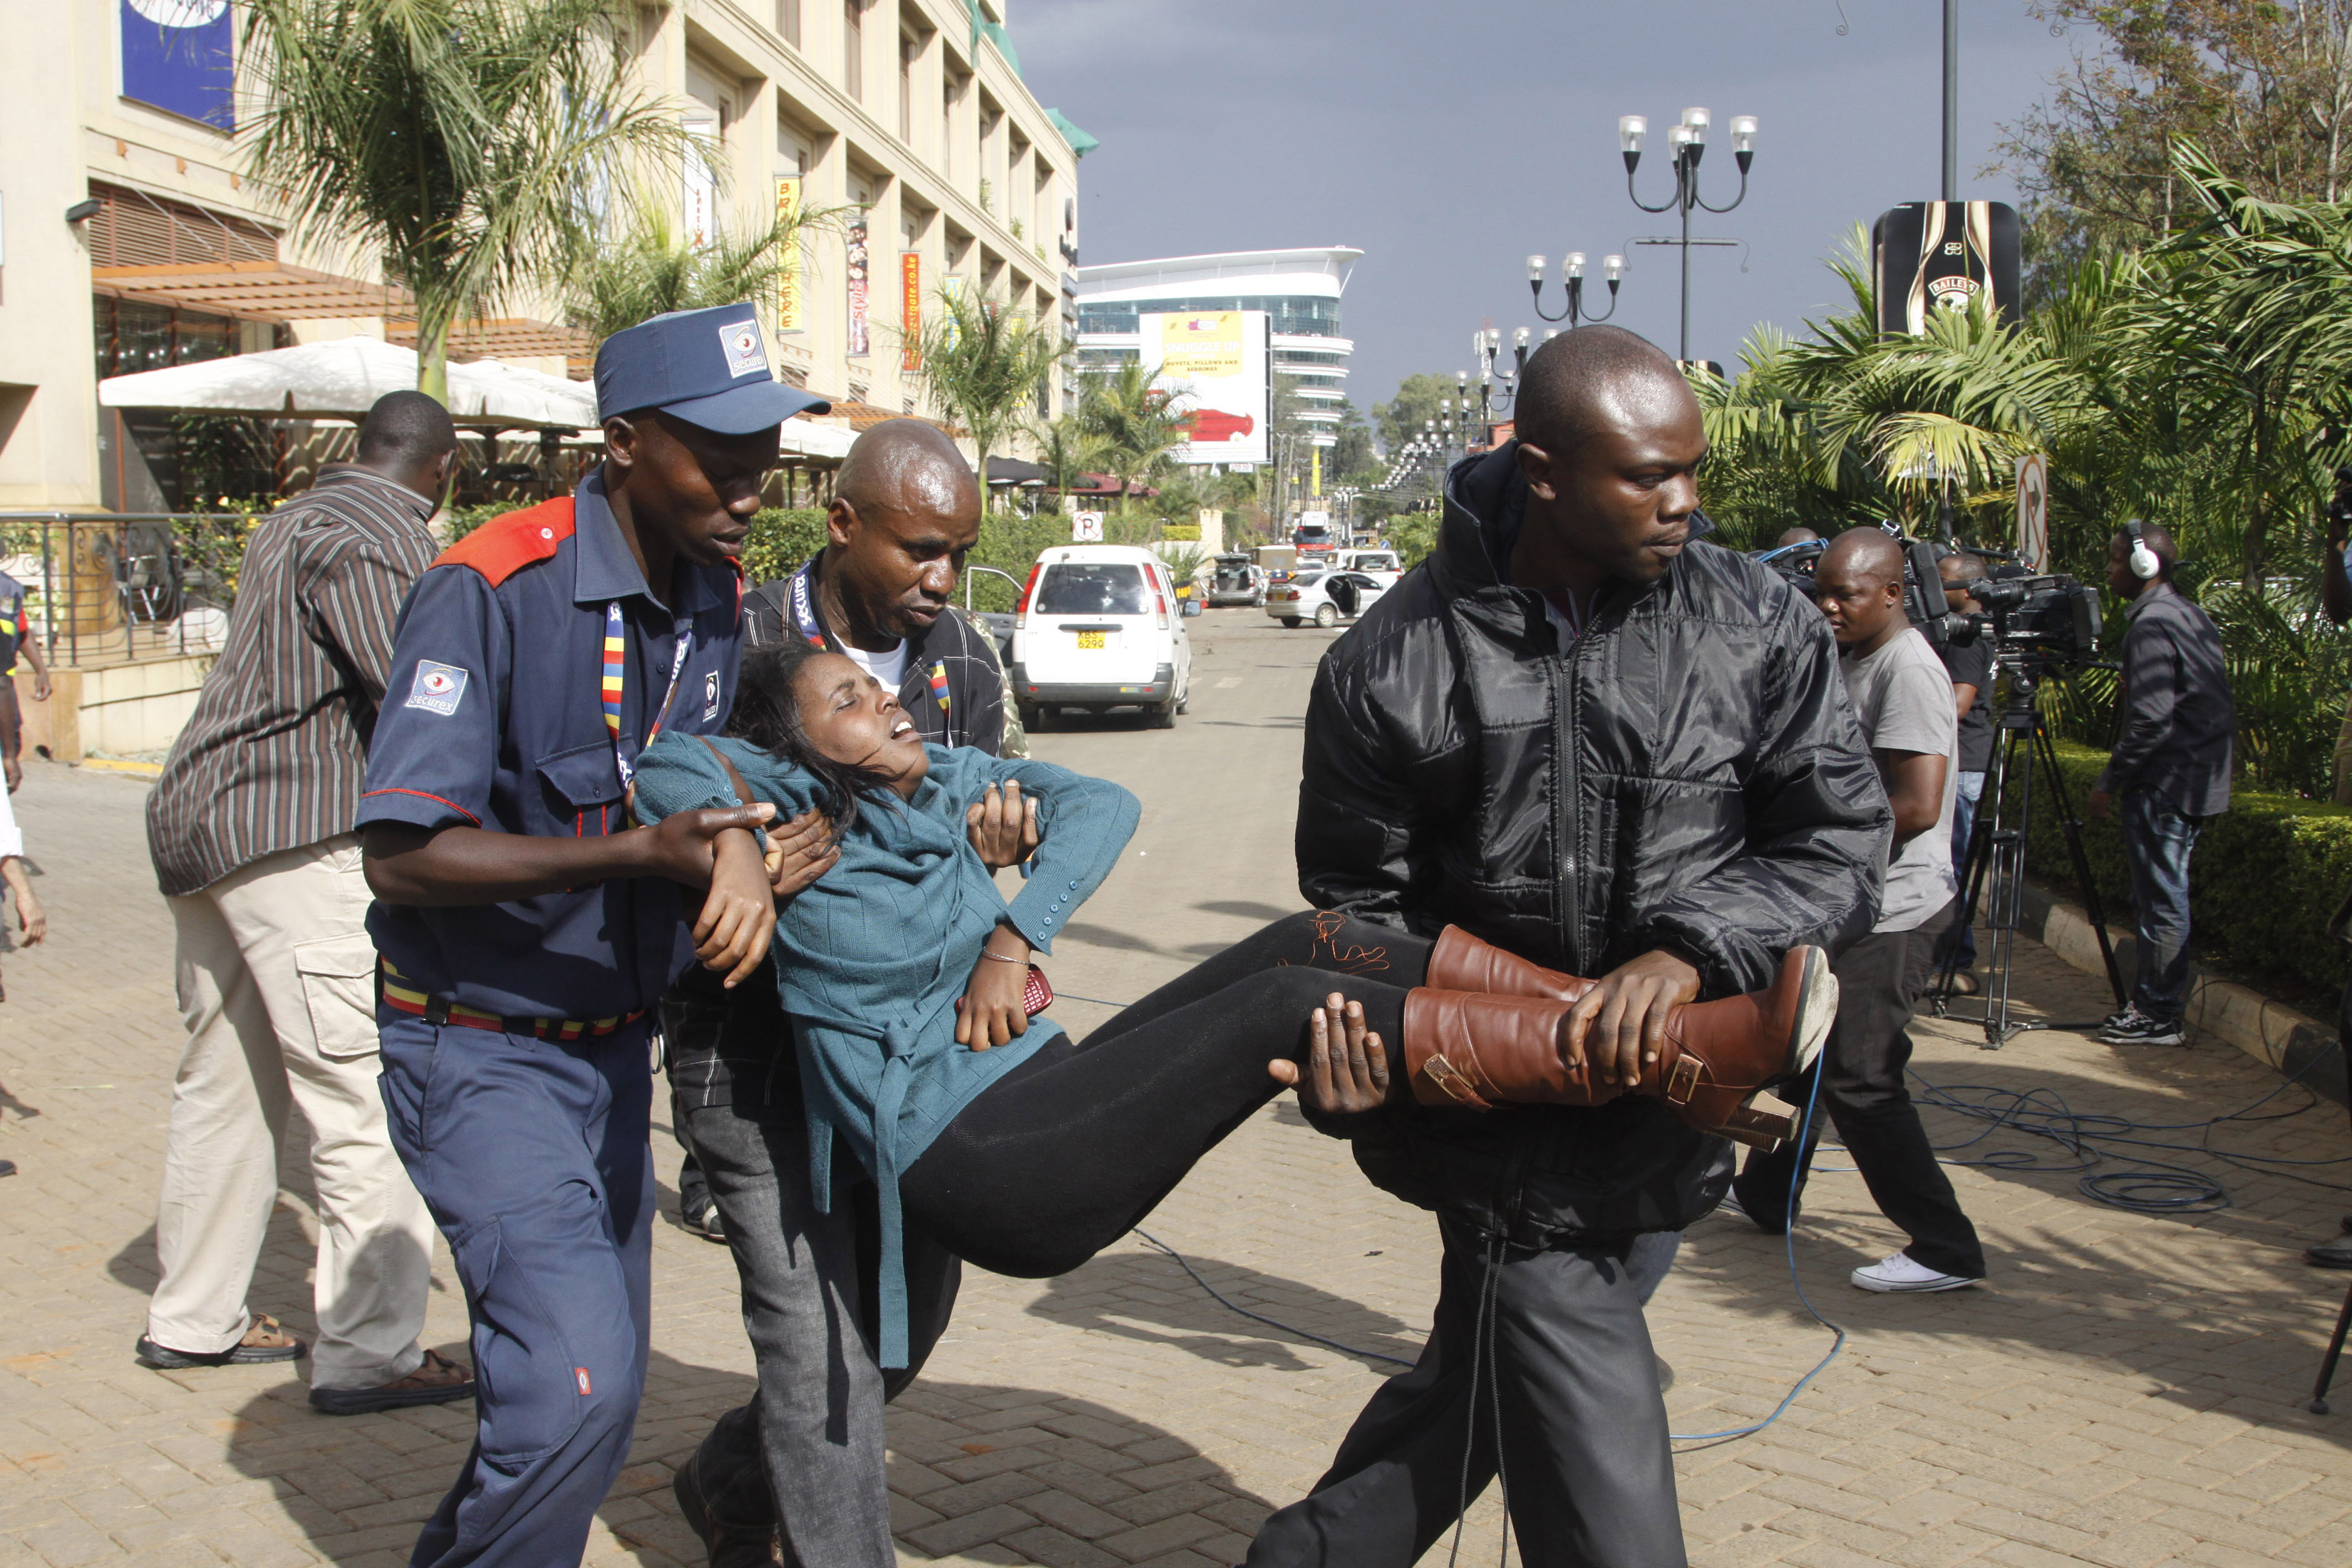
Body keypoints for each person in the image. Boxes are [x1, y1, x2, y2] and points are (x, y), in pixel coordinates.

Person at [630, 641, 1834, 1358]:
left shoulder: (948, 780)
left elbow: (1109, 810)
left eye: (875, 686)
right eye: (843, 701)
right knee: (1280, 1008)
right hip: (973, 1161)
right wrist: (738, 850)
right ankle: (1657, 1054)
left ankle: (1662, 1034)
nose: (884, 703)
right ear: (792, 749)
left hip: (1035, 1092)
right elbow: (666, 766)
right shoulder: (786, 812)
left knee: (1311, 939)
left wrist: (1015, 929)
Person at [1264, 326, 1888, 1567]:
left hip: (1676, 1094)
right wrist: (1359, 1074)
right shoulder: (1389, 663)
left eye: (1690, 468)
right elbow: (1358, 918)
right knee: (1582, 1418)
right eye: (1649, 475)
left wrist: (1690, 953)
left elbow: (1838, 842)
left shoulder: (1756, 622)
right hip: (1497, 1129)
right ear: (1542, 471)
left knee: (1484, 1386)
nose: (1685, 501)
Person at [357, 304, 822, 1567]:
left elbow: (696, 777)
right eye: (718, 456)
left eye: (763, 453)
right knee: (574, 1388)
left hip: (618, 1058)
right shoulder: (490, 586)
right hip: (481, 1051)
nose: (748, 485)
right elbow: (399, 851)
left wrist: (758, 847)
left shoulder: (718, 600)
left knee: (577, 1403)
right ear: (622, 441)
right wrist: (635, 852)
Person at [664, 418, 1031, 1568]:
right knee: (817, 1341)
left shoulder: (962, 661)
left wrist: (1002, 850)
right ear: (841, 523)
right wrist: (734, 862)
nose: (942, 580)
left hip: (905, 1061)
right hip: (757, 1063)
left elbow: (965, 828)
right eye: (921, 550)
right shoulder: (731, 635)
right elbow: (656, 797)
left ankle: (735, 1472)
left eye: (959, 554)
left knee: (902, 1324)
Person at [133, 392, 477, 1416]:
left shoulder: (289, 520)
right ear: (443, 472)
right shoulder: (380, 539)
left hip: (202, 825)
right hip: (291, 832)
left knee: (228, 1085)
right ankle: (371, 1351)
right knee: (361, 1091)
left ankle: (191, 1322)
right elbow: (412, 690)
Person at [1731, 528, 1987, 1296]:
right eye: (1824, 592)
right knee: (1803, 1054)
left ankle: (1946, 1244)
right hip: (1847, 899)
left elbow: (1915, 804)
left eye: (1847, 594)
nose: (1829, 606)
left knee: (1861, 1075)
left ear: (1893, 594)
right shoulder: (1850, 656)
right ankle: (1767, 1193)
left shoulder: (1909, 672)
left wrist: (1813, 832)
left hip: (1897, 909)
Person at [2085, 521, 2234, 1046]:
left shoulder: (2150, 626)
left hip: (2164, 784)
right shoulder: (2187, 614)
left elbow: (2151, 720)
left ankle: (2158, 1015)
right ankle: (2156, 1007)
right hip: (2193, 780)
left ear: (2144, 565)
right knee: (2166, 899)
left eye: (2114, 558)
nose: (2108, 569)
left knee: (2162, 903)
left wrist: (2108, 782)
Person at [1934, 552, 1993, 991]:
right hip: (1968, 762)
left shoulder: (1967, 641)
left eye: (1944, 582)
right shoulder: (1968, 634)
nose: (1935, 590)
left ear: (1969, 590)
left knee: (1949, 868)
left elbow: (1958, 704)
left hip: (1965, 763)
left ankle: (1957, 961)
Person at [0, 566, 53, 793]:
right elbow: (1, 684)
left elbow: (19, 628)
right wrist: (10, 755)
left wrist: (40, 669)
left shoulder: (8, 590)